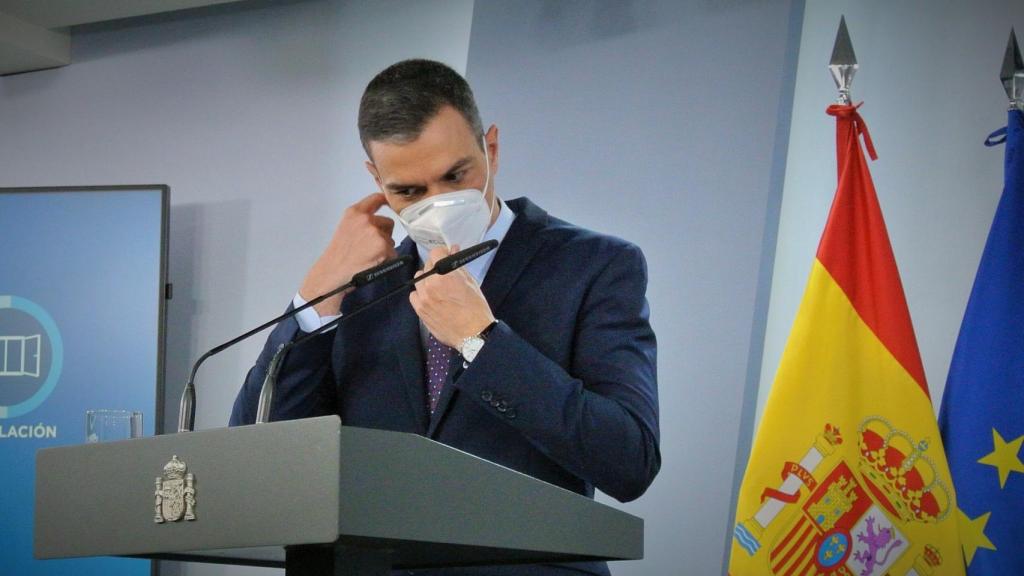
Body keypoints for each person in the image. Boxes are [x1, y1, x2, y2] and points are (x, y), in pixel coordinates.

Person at [230, 59, 660, 576]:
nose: (437, 203)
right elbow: (256, 458)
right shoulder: (361, 279)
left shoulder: (594, 265)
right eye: (408, 191)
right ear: (376, 179)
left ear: (491, 149)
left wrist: (481, 341)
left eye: (455, 176)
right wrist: (315, 299)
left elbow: (629, 460)